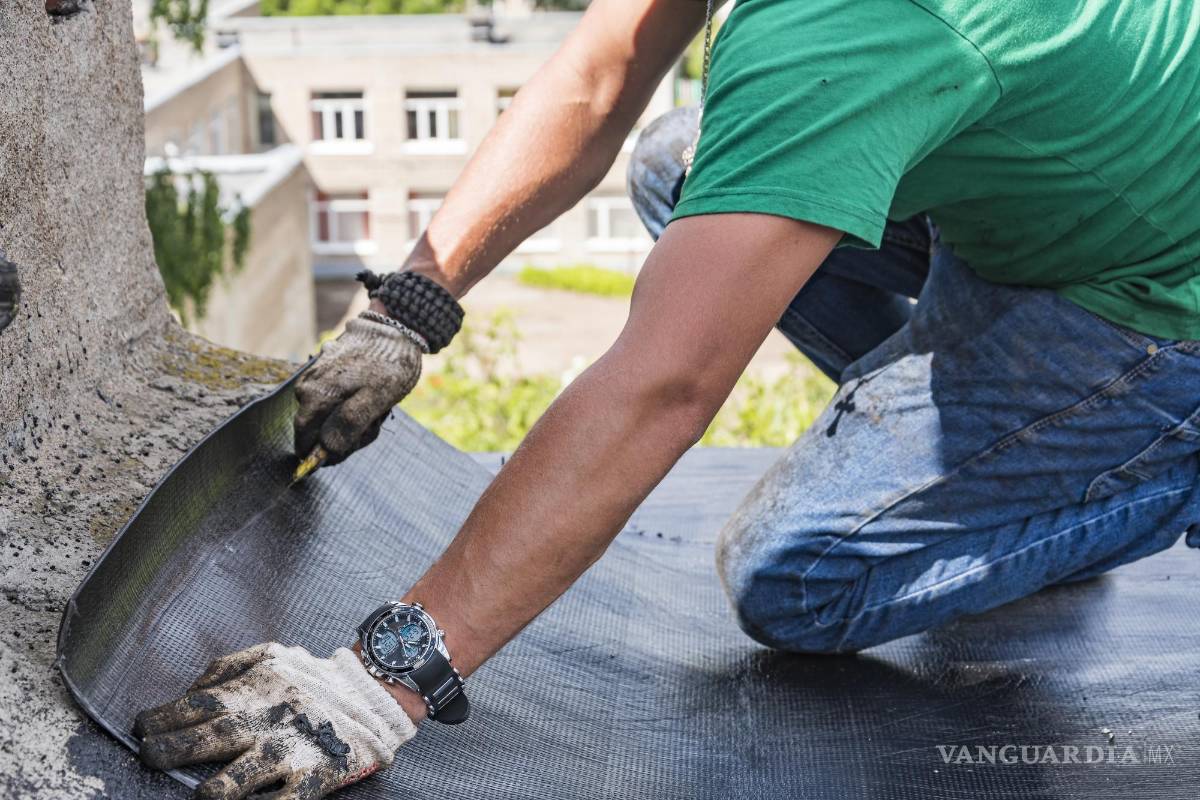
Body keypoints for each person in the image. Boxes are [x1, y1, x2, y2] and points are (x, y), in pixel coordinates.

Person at [133, 0, 1200, 796]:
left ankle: (1136, 459)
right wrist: (410, 307)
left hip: (1152, 300)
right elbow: (598, 76)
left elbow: (666, 386)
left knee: (797, 579)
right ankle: (1003, 443)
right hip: (1069, 184)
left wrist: (385, 678)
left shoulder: (851, 29)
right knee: (683, 164)